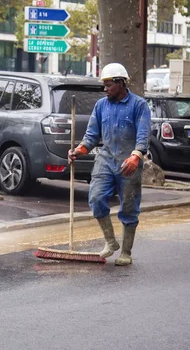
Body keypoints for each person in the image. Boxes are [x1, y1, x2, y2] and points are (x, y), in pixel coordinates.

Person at [68, 63, 151, 266]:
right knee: (96, 198)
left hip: (129, 160)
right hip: (105, 159)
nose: (105, 89)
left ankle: (126, 251)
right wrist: (79, 150)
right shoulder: (101, 106)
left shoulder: (139, 105)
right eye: (103, 85)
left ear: (121, 83)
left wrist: (136, 155)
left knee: (129, 207)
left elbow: (143, 134)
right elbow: (91, 135)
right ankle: (110, 241)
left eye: (108, 85)